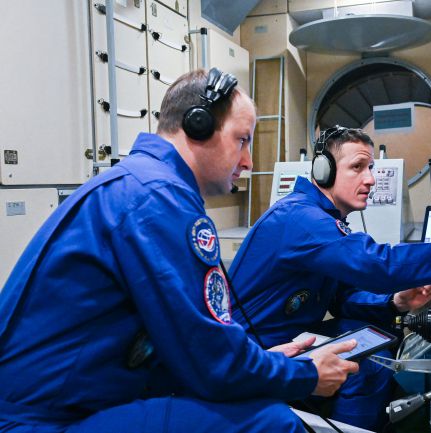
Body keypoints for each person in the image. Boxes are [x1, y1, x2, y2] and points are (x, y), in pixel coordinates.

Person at [0, 69, 360, 433]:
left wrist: (263, 364)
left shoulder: (142, 185)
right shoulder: (156, 199)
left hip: (76, 401)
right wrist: (305, 375)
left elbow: (191, 348)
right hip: (42, 423)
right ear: (198, 125)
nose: (248, 161)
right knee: (272, 423)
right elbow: (212, 362)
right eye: (241, 140)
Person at [229, 126, 431, 431]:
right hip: (253, 353)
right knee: (369, 366)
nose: (370, 179)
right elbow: (380, 265)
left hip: (292, 338)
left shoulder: (324, 219)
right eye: (357, 167)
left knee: (374, 338)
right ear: (324, 171)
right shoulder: (301, 218)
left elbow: (342, 298)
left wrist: (395, 302)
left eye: (371, 168)